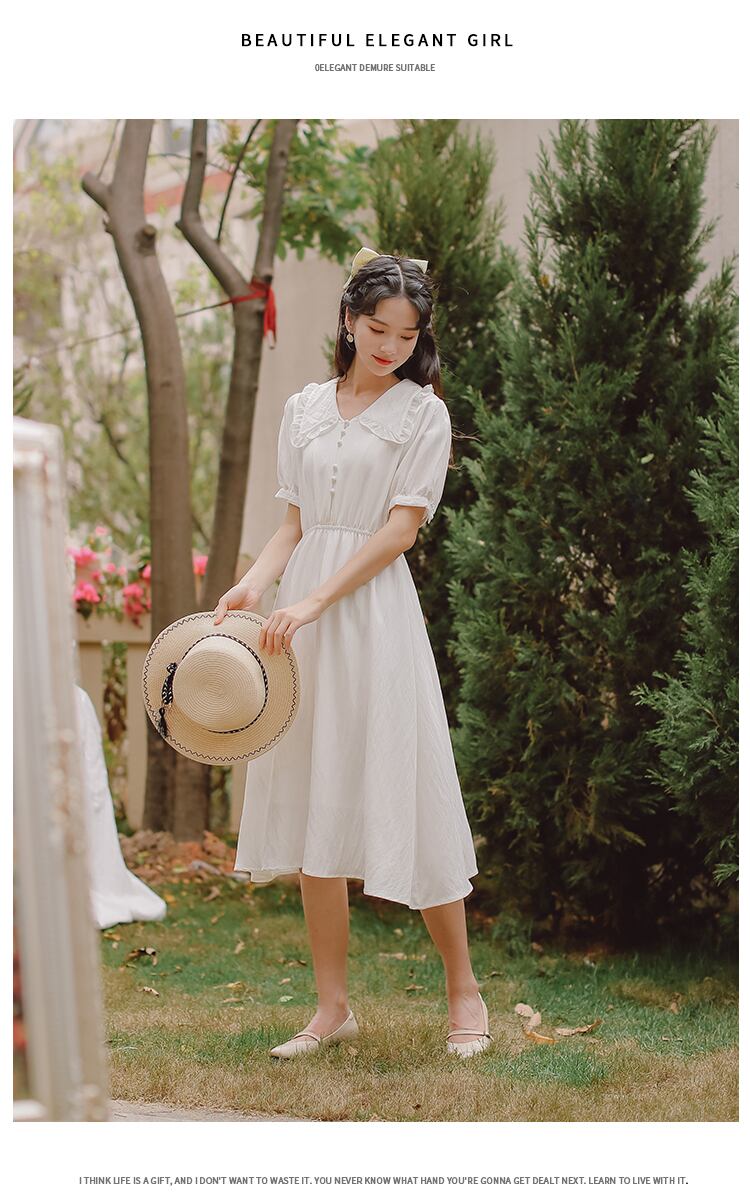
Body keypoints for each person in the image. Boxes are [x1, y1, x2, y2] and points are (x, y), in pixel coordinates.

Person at [213, 248, 491, 1060]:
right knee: (315, 795)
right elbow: (294, 524)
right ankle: (332, 1006)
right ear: (347, 320)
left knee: (412, 791)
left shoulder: (422, 414)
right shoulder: (303, 407)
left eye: (407, 334)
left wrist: (315, 600)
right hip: (298, 621)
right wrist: (254, 585)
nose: (391, 345)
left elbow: (399, 531)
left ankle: (464, 991)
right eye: (377, 328)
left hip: (369, 615)